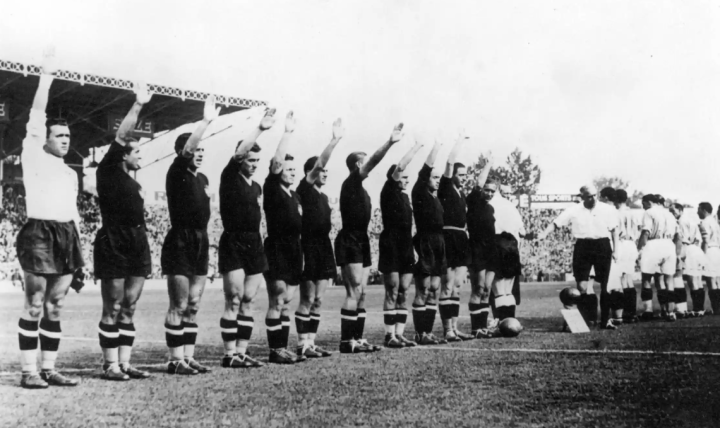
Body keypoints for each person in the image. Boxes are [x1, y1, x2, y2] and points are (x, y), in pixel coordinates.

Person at [16, 48, 83, 388]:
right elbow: (37, 114)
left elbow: (74, 213)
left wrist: (79, 246)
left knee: (55, 305)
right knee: (34, 303)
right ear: (45, 139)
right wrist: (47, 76)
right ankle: (28, 372)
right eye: (59, 136)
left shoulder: (71, 174)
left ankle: (49, 368)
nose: (65, 140)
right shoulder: (33, 155)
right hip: (39, 233)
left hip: (67, 234)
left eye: (68, 136)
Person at [95, 82, 153, 381]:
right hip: (114, 241)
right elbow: (121, 136)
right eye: (137, 152)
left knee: (129, 305)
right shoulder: (107, 170)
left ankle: (125, 363)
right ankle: (110, 365)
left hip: (137, 241)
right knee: (114, 305)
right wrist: (138, 104)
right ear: (123, 155)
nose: (140, 156)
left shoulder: (135, 183)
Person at [161, 96, 220, 375]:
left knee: (194, 305)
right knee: (179, 303)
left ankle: (188, 356)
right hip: (180, 240)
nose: (199, 153)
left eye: (202, 150)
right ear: (183, 152)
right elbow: (187, 151)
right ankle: (175, 360)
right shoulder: (177, 171)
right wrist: (205, 121)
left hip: (201, 240)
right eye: (196, 149)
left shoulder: (203, 179)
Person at [336, 123, 403, 354]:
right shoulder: (351, 182)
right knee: (354, 290)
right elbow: (374, 160)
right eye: (364, 162)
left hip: (362, 239)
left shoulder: (362, 189)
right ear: (358, 165)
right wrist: (390, 142)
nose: (368, 166)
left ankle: (358, 338)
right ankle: (347, 341)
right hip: (350, 239)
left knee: (362, 292)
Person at [218, 108, 277, 368]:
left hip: (255, 243)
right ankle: (229, 354)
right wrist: (260, 128)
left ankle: (242, 352)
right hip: (234, 241)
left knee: (249, 299)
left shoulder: (257, 186)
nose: (254, 164)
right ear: (241, 159)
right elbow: (239, 154)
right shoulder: (230, 177)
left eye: (257, 161)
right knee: (233, 298)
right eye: (250, 160)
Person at [294, 119, 344, 359]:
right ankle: (302, 344)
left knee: (319, 299)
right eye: (320, 170)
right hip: (308, 247)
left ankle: (311, 343)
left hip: (324, 247)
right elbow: (320, 163)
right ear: (310, 173)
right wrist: (334, 141)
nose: (324, 172)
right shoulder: (304, 189)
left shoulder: (324, 198)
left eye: (325, 171)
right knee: (307, 297)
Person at [538, 185, 619, 330]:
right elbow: (556, 223)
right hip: (583, 246)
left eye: (594, 195)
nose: (593, 199)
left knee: (605, 286)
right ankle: (586, 319)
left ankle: (605, 320)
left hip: (602, 245)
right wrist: (544, 233)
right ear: (582, 197)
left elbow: (614, 230)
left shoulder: (607, 209)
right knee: (582, 286)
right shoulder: (574, 210)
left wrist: (616, 250)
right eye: (589, 196)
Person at [262, 112, 303, 364]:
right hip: (277, 247)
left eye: (294, 170)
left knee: (287, 302)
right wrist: (287, 133)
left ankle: (283, 347)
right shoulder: (271, 187)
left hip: (295, 249)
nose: (292, 173)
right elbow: (277, 162)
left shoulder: (295, 196)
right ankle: (275, 350)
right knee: (277, 299)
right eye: (288, 169)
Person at [378, 139, 423, 348]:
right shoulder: (388, 191)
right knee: (393, 289)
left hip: (406, 246)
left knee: (404, 290)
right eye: (403, 177)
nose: (407, 180)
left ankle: (399, 334)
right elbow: (401, 165)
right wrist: (416, 147)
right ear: (394, 178)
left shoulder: (405, 198)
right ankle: (389, 336)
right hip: (391, 245)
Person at [410, 139, 447, 345]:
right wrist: (437, 147)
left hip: (439, 242)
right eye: (434, 177)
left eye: (439, 178)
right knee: (423, 289)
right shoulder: (419, 192)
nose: (438, 181)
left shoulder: (436, 197)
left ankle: (428, 331)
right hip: (425, 241)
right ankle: (420, 333)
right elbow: (425, 170)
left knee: (434, 289)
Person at [437, 135, 473, 341]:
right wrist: (459, 142)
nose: (464, 177)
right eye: (461, 174)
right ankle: (447, 330)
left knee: (458, 287)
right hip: (449, 236)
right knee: (448, 286)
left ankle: (455, 327)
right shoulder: (445, 187)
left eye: (466, 174)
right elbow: (449, 162)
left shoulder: (461, 193)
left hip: (461, 238)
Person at [486, 180, 533, 322]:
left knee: (498, 290)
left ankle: (501, 323)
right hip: (512, 246)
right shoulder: (511, 206)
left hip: (496, 243)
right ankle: (510, 322)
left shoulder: (488, 204)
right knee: (508, 290)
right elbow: (522, 232)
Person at [637, 194, 681, 322]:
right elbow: (678, 236)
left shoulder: (649, 212)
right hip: (669, 245)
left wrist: (639, 250)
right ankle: (669, 312)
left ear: (649, 202)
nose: (643, 206)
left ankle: (648, 310)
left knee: (646, 278)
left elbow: (645, 232)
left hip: (653, 244)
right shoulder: (670, 214)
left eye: (643, 203)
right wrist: (677, 254)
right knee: (667, 280)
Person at [465, 156, 496, 337]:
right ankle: (476, 328)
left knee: (487, 290)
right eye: (487, 190)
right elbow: (478, 184)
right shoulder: (474, 201)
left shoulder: (490, 208)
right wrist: (489, 164)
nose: (489, 193)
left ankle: (483, 327)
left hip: (491, 250)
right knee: (478, 288)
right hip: (477, 249)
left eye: (493, 191)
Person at [669, 203, 706, 318]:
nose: (671, 213)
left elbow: (679, 238)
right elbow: (699, 238)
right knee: (697, 280)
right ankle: (699, 308)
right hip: (695, 249)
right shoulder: (692, 220)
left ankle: (683, 308)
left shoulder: (680, 221)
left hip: (686, 248)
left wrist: (678, 254)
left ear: (680, 210)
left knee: (682, 278)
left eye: (673, 211)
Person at [613, 189, 641, 323]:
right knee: (629, 279)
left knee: (621, 279)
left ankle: (623, 312)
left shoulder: (616, 213)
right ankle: (632, 313)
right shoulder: (633, 213)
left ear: (616, 199)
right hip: (631, 244)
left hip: (621, 244)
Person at [698, 203, 720, 314]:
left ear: (704, 210)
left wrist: (702, 255)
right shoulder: (715, 222)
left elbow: (705, 241)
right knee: (717, 280)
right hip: (717, 250)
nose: (697, 212)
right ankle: (717, 308)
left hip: (709, 251)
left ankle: (717, 309)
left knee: (711, 281)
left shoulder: (705, 222)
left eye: (699, 209)